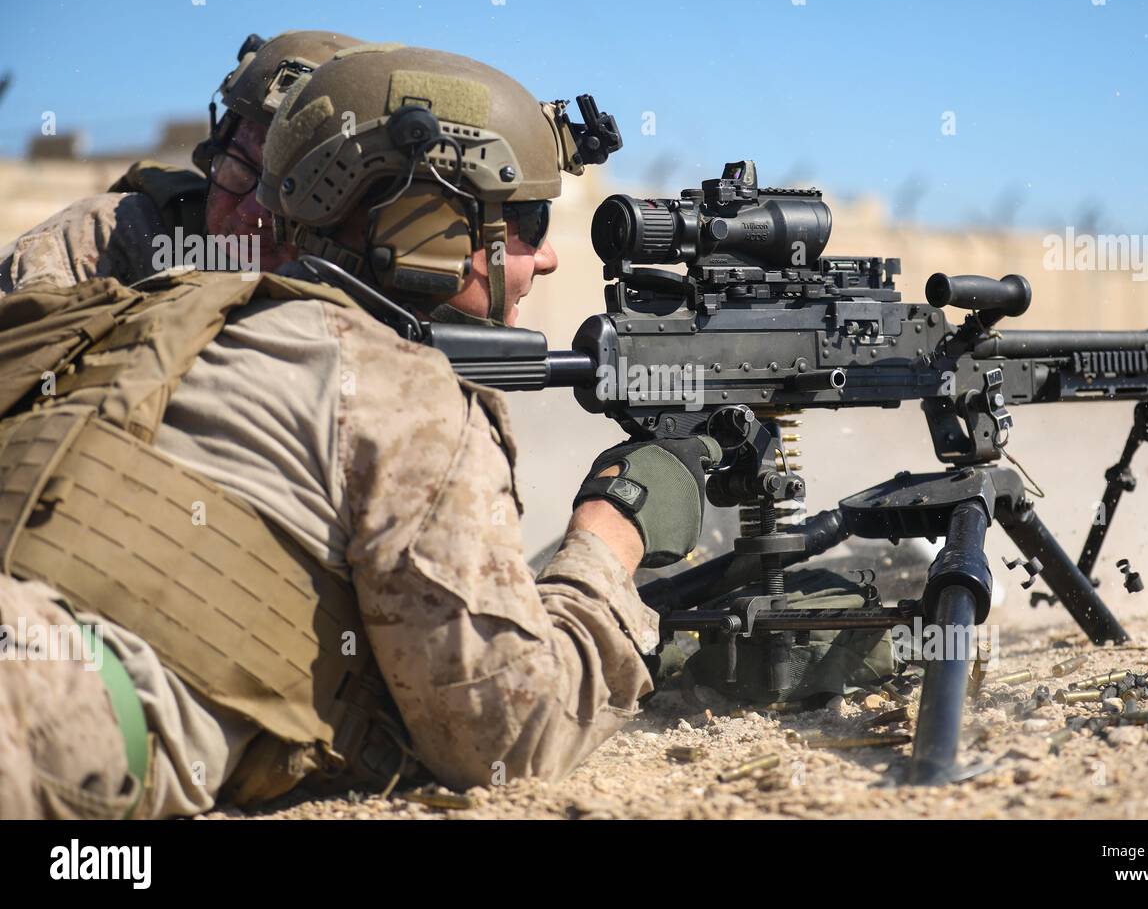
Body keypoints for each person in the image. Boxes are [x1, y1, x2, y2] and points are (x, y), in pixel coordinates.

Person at [0, 44, 718, 819]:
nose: (544, 257)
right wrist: (614, 534)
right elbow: (508, 734)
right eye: (526, 220)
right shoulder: (400, 390)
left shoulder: (134, 308)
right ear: (430, 230)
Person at [0, 29, 362, 294]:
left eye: (288, 194)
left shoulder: (379, 284)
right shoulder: (124, 234)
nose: (252, 214)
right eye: (237, 171)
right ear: (212, 155)